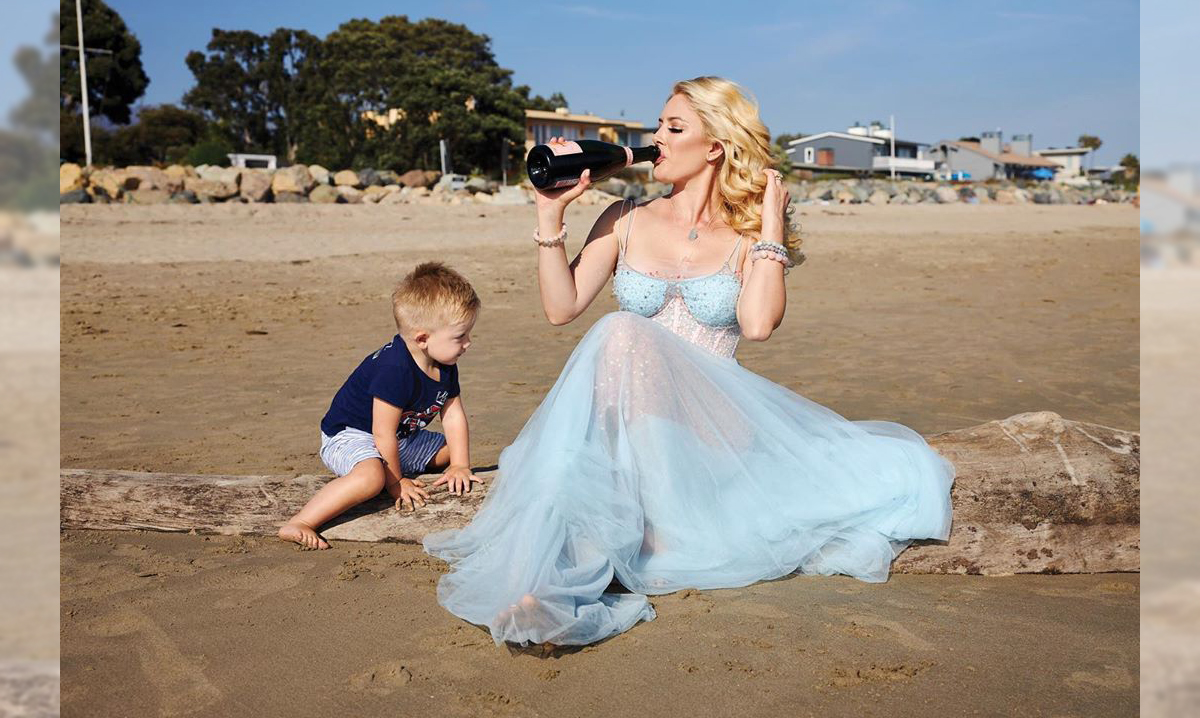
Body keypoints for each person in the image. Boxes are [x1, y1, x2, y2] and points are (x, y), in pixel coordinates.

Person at [423, 77, 954, 646]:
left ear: (716, 146)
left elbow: (757, 326)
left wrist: (770, 223)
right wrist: (550, 217)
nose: (657, 139)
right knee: (581, 444)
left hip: (711, 427)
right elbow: (562, 308)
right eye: (657, 127)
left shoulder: (747, 235)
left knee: (623, 331)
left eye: (673, 129)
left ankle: (637, 543)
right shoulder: (624, 218)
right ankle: (551, 599)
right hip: (626, 424)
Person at [280, 262, 483, 550]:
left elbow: (453, 416)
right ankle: (301, 521)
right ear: (423, 338)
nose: (468, 343)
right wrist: (395, 482)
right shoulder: (394, 368)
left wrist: (461, 465)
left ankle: (397, 469)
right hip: (351, 435)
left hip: (401, 438)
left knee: (453, 449)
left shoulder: (445, 363)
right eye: (460, 336)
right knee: (372, 477)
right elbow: (382, 433)